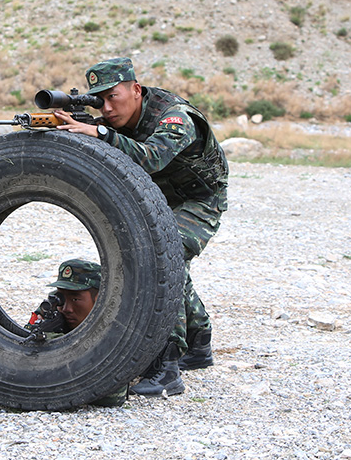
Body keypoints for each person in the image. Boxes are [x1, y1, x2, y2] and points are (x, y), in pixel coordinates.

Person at [53, 57, 228, 397]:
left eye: (112, 97)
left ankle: (167, 365)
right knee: (172, 262)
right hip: (160, 197)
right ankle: (199, 342)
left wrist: (100, 132)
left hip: (199, 199)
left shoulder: (175, 117)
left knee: (162, 258)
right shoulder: (113, 118)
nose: (105, 108)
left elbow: (152, 157)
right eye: (98, 101)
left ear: (135, 89)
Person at [26, 259, 128, 407]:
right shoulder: (52, 311)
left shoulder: (116, 321)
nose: (67, 308)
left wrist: (58, 344)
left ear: (100, 299)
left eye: (75, 299)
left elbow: (112, 396)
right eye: (62, 297)